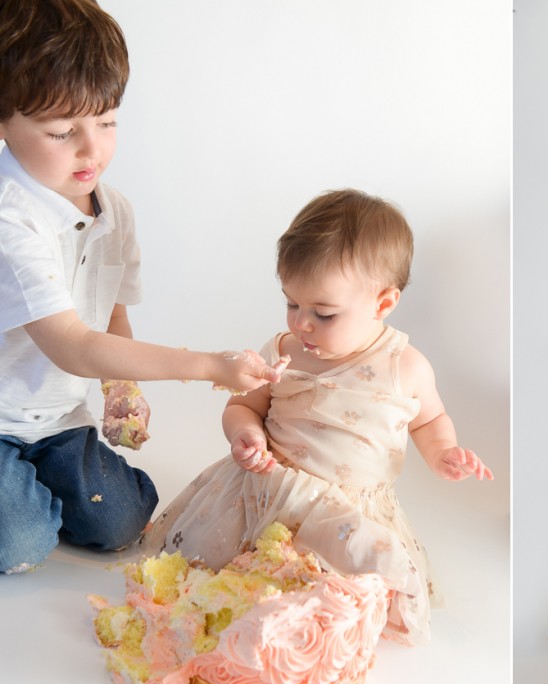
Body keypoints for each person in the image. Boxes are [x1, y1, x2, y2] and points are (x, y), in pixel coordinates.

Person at [0, 0, 281, 575]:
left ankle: (32, 483)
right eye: (61, 131)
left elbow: (110, 317)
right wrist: (207, 365)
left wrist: (121, 384)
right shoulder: (9, 219)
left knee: (124, 521)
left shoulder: (115, 210)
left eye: (106, 121)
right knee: (22, 542)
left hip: (56, 420)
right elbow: (73, 344)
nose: (92, 149)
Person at [143, 189, 493, 645]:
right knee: (230, 580)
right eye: (292, 304)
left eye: (323, 313)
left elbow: (428, 421)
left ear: (383, 304)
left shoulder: (404, 366)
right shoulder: (285, 353)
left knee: (336, 595)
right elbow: (245, 405)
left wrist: (444, 452)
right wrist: (246, 435)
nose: (301, 324)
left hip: (347, 512)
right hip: (266, 493)